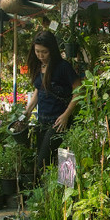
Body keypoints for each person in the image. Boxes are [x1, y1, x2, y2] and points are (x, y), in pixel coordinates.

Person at [24, 31, 81, 170]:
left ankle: (48, 188)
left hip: (58, 122)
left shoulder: (63, 67)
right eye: (37, 51)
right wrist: (26, 112)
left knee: (42, 161)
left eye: (44, 52)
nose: (40, 56)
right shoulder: (39, 66)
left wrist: (66, 115)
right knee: (44, 161)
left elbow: (79, 90)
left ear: (52, 50)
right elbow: (39, 91)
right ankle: (47, 190)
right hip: (42, 121)